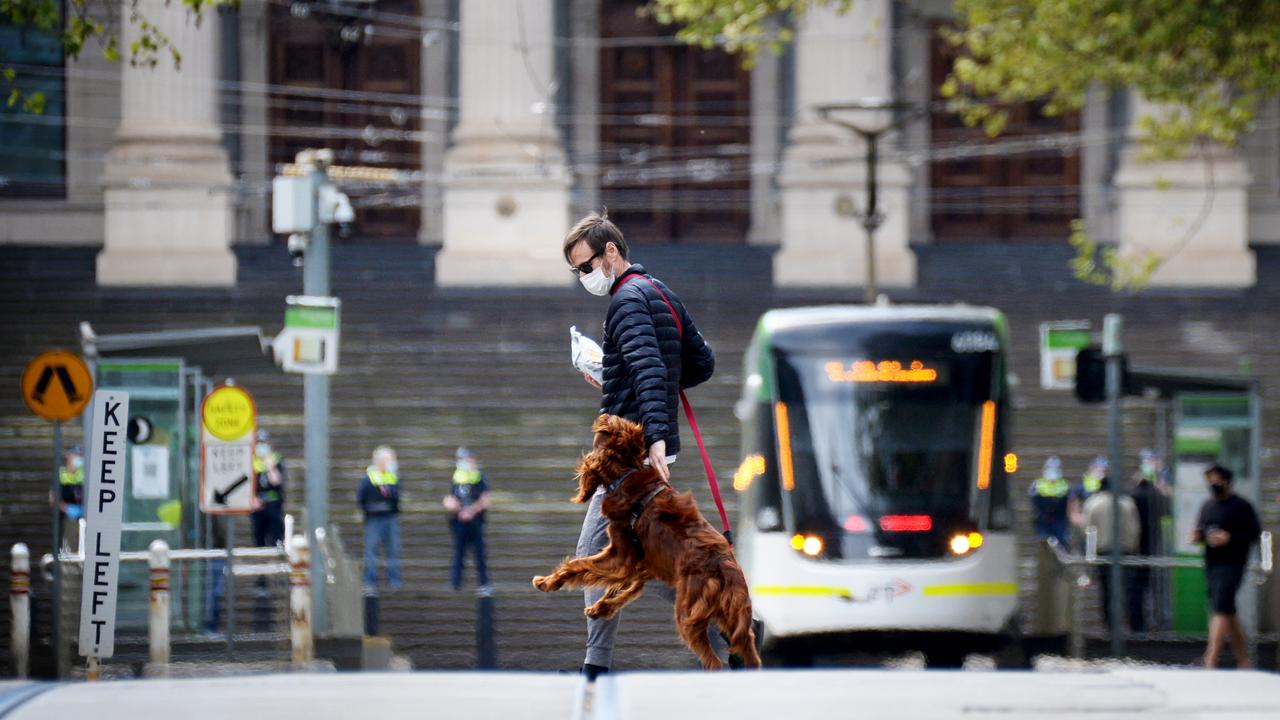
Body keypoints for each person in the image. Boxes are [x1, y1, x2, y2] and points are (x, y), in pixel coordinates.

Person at [563, 210, 716, 679]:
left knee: (595, 552)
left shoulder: (626, 302)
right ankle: (731, 623)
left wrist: (653, 435)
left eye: (586, 267)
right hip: (643, 445)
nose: (584, 277)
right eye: (577, 272)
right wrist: (620, 378)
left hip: (629, 453)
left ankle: (596, 667)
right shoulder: (658, 291)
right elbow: (701, 363)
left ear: (611, 252)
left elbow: (650, 368)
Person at [1191, 464, 1261, 668]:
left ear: (1228, 481)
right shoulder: (1208, 505)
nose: (1213, 484)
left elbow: (1254, 533)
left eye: (1217, 480)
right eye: (1210, 480)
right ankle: (1244, 660)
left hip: (1233, 563)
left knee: (1220, 607)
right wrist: (1199, 536)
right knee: (1227, 610)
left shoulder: (1242, 506)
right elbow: (1202, 529)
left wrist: (1230, 537)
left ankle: (1210, 659)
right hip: (1212, 562)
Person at [1082, 476, 1143, 631]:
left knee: (1106, 591)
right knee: (1124, 590)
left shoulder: (1092, 503)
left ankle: (1109, 626)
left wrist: (1090, 558)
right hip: (1125, 552)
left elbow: (1088, 532)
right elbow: (1135, 530)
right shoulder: (1127, 503)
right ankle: (1125, 624)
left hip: (1103, 553)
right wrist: (1133, 548)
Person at [443, 447, 491, 594]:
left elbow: (485, 498)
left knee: (480, 553)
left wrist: (472, 510)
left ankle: (484, 583)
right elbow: (450, 498)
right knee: (458, 553)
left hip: (476, 521)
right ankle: (455, 584)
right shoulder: (456, 478)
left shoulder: (479, 476)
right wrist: (456, 509)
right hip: (459, 521)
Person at [358, 446, 402, 591]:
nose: (392, 463)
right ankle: (370, 581)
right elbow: (361, 498)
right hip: (374, 519)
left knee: (393, 550)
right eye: (390, 460)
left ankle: (394, 580)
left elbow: (397, 496)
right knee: (371, 551)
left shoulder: (392, 477)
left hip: (390, 517)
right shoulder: (367, 478)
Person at [250, 430, 287, 548]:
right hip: (257, 505)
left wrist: (270, 466)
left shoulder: (276, 460)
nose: (261, 446)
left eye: (264, 443)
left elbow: (276, 481)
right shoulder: (251, 462)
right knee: (259, 537)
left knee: (275, 536)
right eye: (259, 443)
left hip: (273, 503)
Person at [1030, 456, 1071, 546]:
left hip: (1059, 519)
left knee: (1061, 542)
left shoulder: (1064, 485)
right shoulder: (1037, 485)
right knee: (1044, 542)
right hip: (1043, 519)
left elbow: (1069, 503)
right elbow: (1034, 503)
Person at [51, 444, 85, 550]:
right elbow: (53, 499)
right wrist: (68, 509)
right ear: (68, 456)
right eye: (75, 455)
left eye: (80, 455)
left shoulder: (83, 474)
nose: (78, 458)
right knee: (69, 549)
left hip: (82, 517)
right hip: (66, 518)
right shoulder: (61, 474)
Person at [1069, 455, 1108, 538]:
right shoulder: (1081, 486)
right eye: (1097, 468)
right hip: (1088, 524)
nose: (1100, 471)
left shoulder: (1109, 486)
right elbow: (1074, 504)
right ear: (1091, 468)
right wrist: (1078, 518)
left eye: (1103, 470)